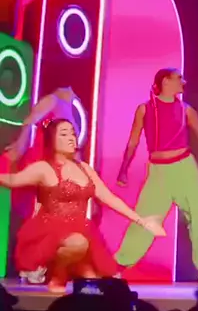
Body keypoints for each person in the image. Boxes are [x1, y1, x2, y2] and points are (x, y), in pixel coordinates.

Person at [0, 118, 165, 292]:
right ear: (52, 139)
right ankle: (57, 276)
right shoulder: (44, 168)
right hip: (51, 233)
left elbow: (108, 197)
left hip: (82, 232)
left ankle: (68, 275)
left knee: (94, 284)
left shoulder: (85, 168)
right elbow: (12, 180)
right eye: (64, 134)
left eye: (73, 133)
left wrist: (142, 221)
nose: (71, 138)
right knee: (78, 244)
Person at [115, 68, 198, 284]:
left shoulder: (186, 110)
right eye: (178, 78)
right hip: (159, 172)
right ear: (165, 81)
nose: (184, 81)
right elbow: (133, 141)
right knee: (144, 219)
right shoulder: (144, 109)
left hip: (185, 168)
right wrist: (123, 169)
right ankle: (119, 267)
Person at [1, 87, 83, 284]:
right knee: (39, 216)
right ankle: (30, 265)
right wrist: (19, 146)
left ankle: (37, 264)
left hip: (58, 167)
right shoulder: (52, 100)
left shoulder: (68, 108)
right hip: (43, 162)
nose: (72, 91)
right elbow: (30, 121)